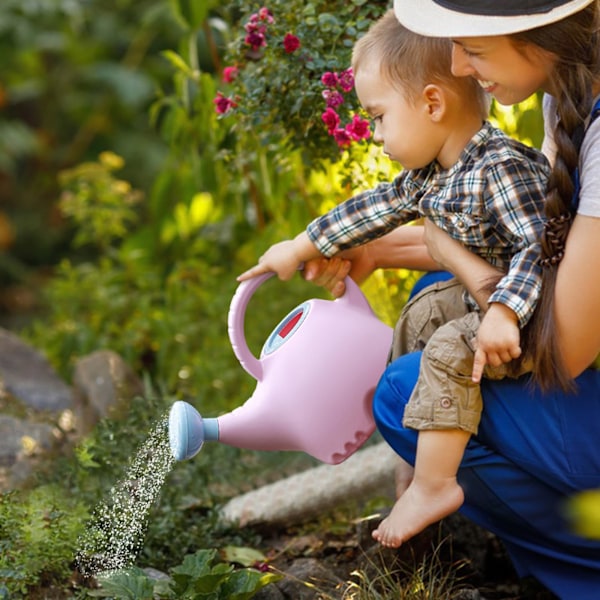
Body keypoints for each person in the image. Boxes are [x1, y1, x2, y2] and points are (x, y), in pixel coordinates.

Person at [300, 1, 600, 597]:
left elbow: (563, 344)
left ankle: (583, 566)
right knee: (430, 299)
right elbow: (523, 235)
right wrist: (380, 251)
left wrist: (446, 251)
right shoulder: (567, 93)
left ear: (540, 35)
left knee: (408, 388)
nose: (459, 65)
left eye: (475, 48)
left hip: (579, 355)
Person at [239, 9, 553, 549]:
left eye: (379, 117)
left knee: (451, 347)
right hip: (487, 301)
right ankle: (413, 460)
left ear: (433, 103)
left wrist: (503, 313)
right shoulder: (432, 173)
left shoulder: (501, 166)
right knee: (420, 315)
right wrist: (299, 247)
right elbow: (373, 208)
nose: (377, 134)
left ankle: (436, 485)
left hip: (531, 316)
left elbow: (543, 248)